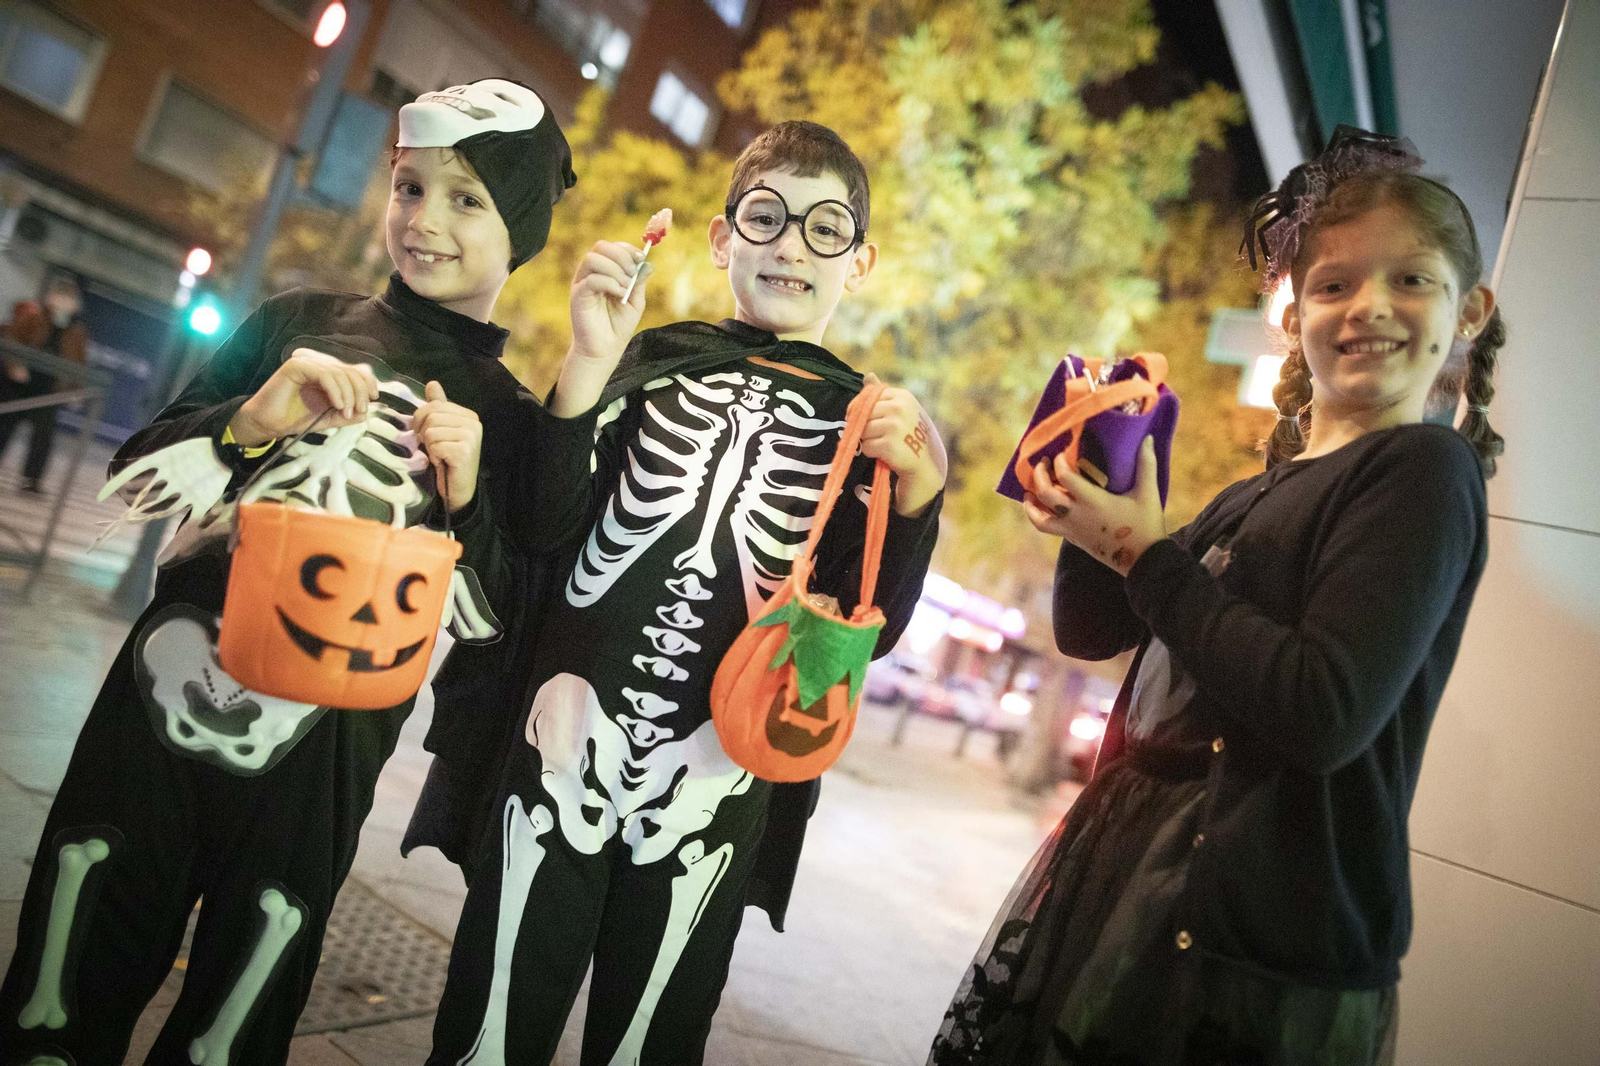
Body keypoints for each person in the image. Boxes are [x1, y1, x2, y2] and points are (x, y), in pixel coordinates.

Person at [0, 78, 576, 1065]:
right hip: (164, 695)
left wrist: (470, 494)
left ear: (518, 225)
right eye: (408, 187)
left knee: (244, 996)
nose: (424, 221)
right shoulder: (294, 319)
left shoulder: (511, 416)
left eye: (467, 198)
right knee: (72, 957)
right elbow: (133, 477)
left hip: (327, 747)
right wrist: (250, 422)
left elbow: (490, 629)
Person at [929, 128, 1504, 1066]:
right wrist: (1095, 499)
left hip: (1254, 949)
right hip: (1133, 882)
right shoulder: (1257, 489)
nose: (1369, 308)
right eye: (1333, 284)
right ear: (1294, 316)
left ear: (1468, 309)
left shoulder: (1423, 472)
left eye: (1410, 280)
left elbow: (1323, 710)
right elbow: (1091, 628)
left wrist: (1146, 553)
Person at [420, 120, 948, 1064]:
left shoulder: (865, 421)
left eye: (824, 229)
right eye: (766, 217)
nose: (790, 244)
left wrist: (918, 496)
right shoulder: (648, 360)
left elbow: (868, 630)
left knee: (654, 1041)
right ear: (721, 238)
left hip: (716, 781)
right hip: (561, 742)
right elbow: (543, 529)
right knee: (489, 1025)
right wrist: (585, 362)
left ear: (859, 263)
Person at [0, 273, 90, 494]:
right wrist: (14, 367)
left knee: (43, 437)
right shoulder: (33, 317)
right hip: (18, 386)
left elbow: (78, 364)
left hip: (49, 391)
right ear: (50, 296)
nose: (64, 302)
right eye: (60, 296)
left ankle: (32, 480)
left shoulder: (76, 333)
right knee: (3, 428)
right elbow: (11, 340)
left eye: (69, 298)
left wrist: (75, 391)